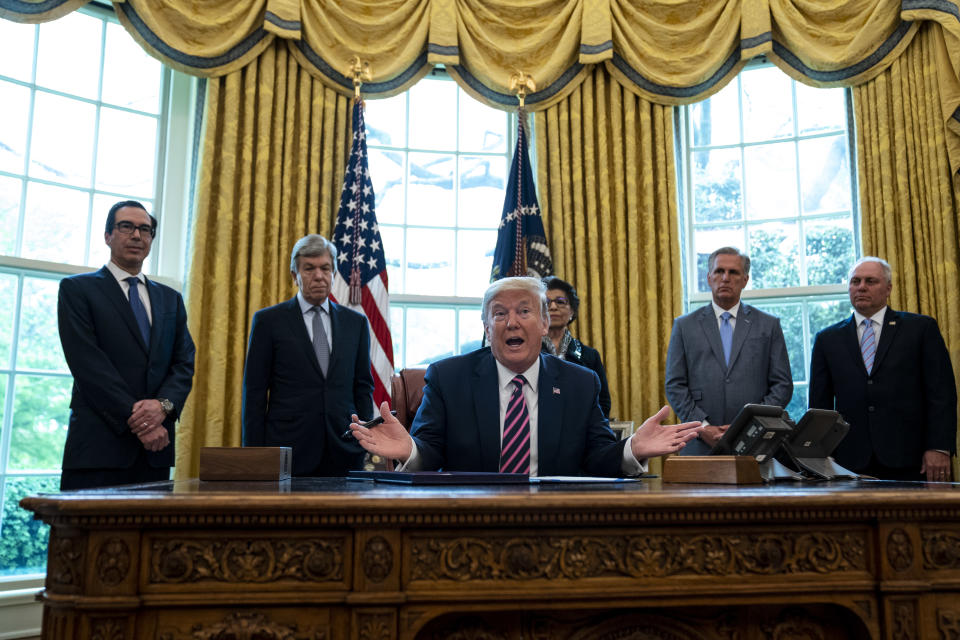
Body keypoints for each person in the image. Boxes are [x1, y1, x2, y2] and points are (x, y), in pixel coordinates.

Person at [348, 276, 702, 476]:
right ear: (487, 327)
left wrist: (631, 450)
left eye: (524, 311)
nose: (512, 322)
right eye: (499, 314)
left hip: (554, 523)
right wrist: (409, 449)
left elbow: (596, 459)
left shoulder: (580, 382)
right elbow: (431, 452)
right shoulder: (448, 377)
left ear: (545, 323)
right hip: (470, 522)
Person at [57, 201, 195, 490]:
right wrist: (142, 422)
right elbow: (88, 364)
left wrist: (163, 406)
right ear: (108, 236)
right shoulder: (77, 290)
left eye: (145, 229)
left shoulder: (170, 299)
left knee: (152, 536)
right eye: (126, 227)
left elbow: (184, 363)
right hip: (98, 449)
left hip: (155, 452)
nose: (136, 235)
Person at [809, 257, 956, 482]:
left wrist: (938, 447)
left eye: (871, 281)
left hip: (912, 458)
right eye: (855, 281)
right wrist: (821, 456)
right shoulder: (827, 339)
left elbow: (941, 394)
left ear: (888, 288)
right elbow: (820, 405)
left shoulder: (920, 329)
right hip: (849, 461)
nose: (861, 287)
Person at [242, 234, 374, 476]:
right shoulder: (268, 321)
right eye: (309, 268)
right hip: (288, 450)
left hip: (344, 448)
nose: (319, 276)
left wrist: (364, 441)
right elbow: (255, 393)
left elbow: (363, 387)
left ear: (334, 273)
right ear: (295, 275)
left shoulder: (356, 323)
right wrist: (254, 454)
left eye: (325, 268)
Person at [664, 247, 793, 455]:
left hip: (755, 443)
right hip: (699, 443)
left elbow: (782, 385)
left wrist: (749, 427)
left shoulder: (768, 325)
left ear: (745, 279)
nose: (725, 278)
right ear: (709, 278)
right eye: (719, 271)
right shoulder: (684, 326)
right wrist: (703, 427)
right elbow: (674, 384)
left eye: (733, 272)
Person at [541, 276, 612, 417]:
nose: (553, 307)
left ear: (572, 311)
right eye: (546, 303)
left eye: (560, 302)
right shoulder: (527, 354)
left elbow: (603, 404)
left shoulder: (589, 355)